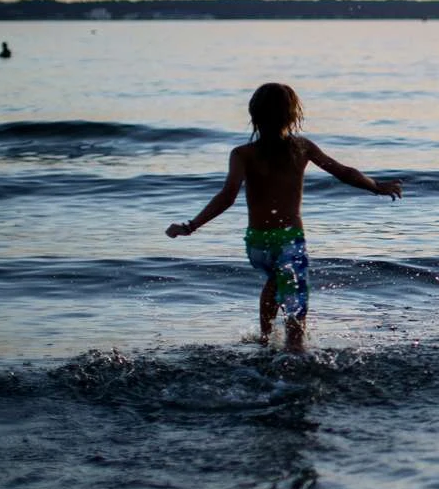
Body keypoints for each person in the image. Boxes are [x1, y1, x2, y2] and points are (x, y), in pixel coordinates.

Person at [166, 82, 402, 351]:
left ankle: (266, 340)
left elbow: (227, 197)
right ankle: (294, 349)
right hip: (289, 241)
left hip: (257, 243)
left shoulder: (243, 154)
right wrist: (376, 186)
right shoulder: (301, 148)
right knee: (295, 301)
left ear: (253, 115)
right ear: (293, 116)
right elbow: (344, 172)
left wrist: (191, 225)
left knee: (274, 279)